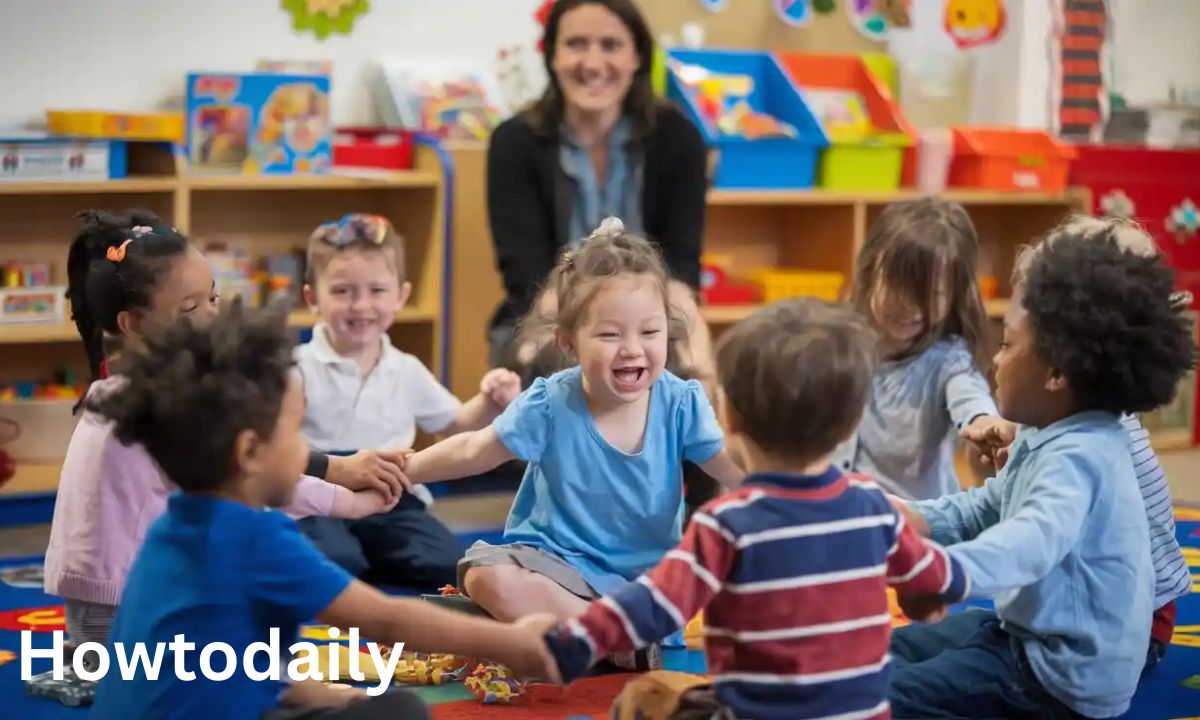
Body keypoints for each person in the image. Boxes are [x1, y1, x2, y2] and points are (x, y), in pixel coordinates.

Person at [88, 300, 558, 720]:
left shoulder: (170, 526)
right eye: (297, 431)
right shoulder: (257, 540)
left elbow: (227, 659)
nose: (306, 449)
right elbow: (385, 620)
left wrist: (337, 698)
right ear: (250, 452)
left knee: (355, 703)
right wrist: (510, 642)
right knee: (401, 711)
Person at [542, 298, 970, 720]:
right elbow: (939, 579)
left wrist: (573, 641)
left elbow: (654, 604)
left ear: (729, 418)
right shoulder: (874, 508)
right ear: (853, 424)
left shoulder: (727, 524)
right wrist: (923, 601)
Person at [42, 211, 395, 683]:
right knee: (266, 645)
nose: (212, 316)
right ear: (133, 324)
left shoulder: (120, 391)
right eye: (191, 309)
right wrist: (350, 503)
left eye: (212, 298)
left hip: (102, 606)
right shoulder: (163, 405)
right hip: (125, 610)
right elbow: (251, 479)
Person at [888, 221, 1197, 718]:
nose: (994, 361)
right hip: (1029, 635)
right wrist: (906, 516)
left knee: (883, 697)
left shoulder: (1082, 455)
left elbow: (1029, 542)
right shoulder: (1051, 425)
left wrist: (943, 573)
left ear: (1056, 372)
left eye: (1007, 345)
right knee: (885, 651)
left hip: (1059, 677)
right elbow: (987, 506)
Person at [404, 219, 743, 668]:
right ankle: (619, 643)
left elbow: (731, 468)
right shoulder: (548, 402)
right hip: (556, 568)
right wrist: (404, 470)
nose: (632, 348)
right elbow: (473, 451)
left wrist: (790, 498)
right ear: (569, 342)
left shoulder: (680, 402)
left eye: (649, 332)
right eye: (610, 334)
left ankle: (586, 633)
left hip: (644, 585)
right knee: (486, 577)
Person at [960, 215, 1192, 675]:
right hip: (1095, 599)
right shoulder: (1071, 414)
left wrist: (946, 572)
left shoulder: (1099, 445)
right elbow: (1000, 496)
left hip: (1132, 621)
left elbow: (1034, 535)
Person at [486, 0, 714, 383]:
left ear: (636, 57)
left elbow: (680, 269)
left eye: (610, 45)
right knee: (529, 372)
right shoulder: (514, 142)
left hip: (652, 313)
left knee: (695, 368)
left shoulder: (679, 138)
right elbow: (527, 276)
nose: (592, 64)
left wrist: (698, 360)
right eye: (576, 44)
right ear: (553, 56)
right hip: (549, 308)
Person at [294, 213, 522, 589]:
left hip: (392, 498)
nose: (361, 305)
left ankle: (375, 556)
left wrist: (489, 401)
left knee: (451, 565)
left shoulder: (405, 368)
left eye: (377, 291)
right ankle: (358, 559)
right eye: (342, 291)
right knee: (331, 562)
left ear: (400, 296)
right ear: (312, 298)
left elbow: (456, 425)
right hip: (322, 496)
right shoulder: (297, 367)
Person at [831, 197, 1004, 500]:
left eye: (932, 294)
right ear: (871, 270)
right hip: (840, 514)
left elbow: (971, 399)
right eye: (900, 289)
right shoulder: (836, 341)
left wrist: (984, 424)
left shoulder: (950, 360)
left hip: (913, 522)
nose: (912, 307)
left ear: (954, 295)